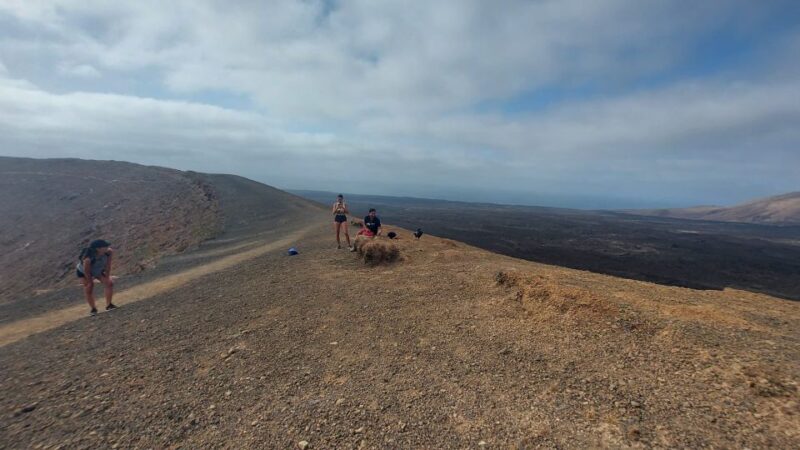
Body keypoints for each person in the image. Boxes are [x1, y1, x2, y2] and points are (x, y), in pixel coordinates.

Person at [76, 239, 116, 316]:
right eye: (105, 246)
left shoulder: (109, 252)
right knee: (89, 287)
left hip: (97, 270)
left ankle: (109, 305)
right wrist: (90, 281)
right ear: (98, 249)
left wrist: (107, 276)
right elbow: (87, 272)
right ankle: (93, 309)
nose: (107, 247)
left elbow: (108, 265)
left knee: (109, 283)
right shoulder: (88, 259)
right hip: (83, 272)